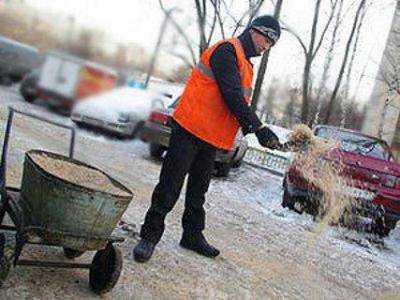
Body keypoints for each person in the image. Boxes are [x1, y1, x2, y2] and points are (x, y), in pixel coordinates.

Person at [133, 15, 282, 262]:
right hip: (190, 128)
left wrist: (256, 130)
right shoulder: (227, 51)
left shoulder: (246, 63)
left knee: (198, 191)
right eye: (266, 38)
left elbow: (236, 101)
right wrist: (258, 127)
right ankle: (149, 236)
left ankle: (191, 235)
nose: (266, 46)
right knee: (170, 186)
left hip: (210, 135)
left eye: (271, 44)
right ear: (253, 30)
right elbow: (232, 95)